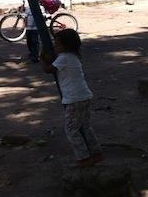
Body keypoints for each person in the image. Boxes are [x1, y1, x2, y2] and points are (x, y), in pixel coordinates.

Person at [41, 29, 104, 168]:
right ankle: (96, 153)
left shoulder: (64, 58)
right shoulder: (73, 56)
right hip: (84, 96)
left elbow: (48, 70)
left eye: (57, 45)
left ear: (65, 46)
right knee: (85, 127)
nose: (55, 47)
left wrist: (42, 59)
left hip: (74, 99)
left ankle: (83, 158)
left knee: (71, 130)